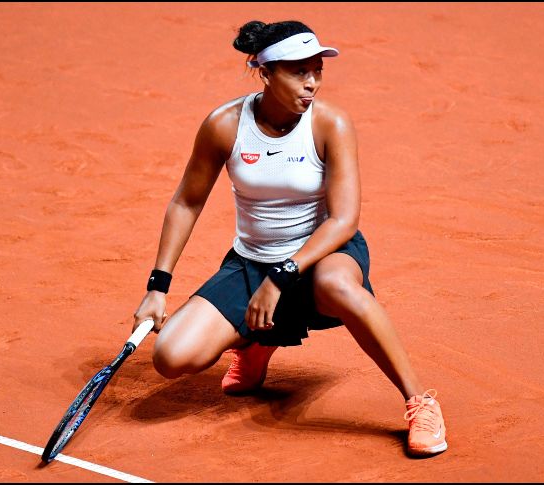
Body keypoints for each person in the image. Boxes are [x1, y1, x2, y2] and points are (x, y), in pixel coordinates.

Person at [132, 20, 447, 457]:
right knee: (171, 357)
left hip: (325, 251)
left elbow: (343, 220)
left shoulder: (330, 124)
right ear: (265, 72)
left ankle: (420, 402)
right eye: (299, 72)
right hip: (251, 261)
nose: (312, 82)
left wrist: (281, 275)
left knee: (338, 286)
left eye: (317, 70)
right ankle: (258, 341)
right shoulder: (225, 125)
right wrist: (157, 286)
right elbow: (187, 202)